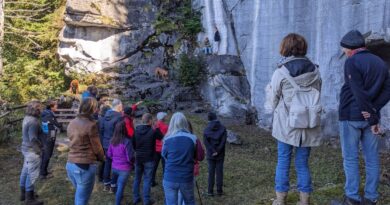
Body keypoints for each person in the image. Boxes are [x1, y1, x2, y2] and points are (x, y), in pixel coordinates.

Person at [333, 30, 390, 205]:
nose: (343, 52)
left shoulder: (352, 62)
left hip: (351, 116)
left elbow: (358, 92)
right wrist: (374, 111)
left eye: (344, 49)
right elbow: (388, 90)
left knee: (350, 157)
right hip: (370, 116)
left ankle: (352, 198)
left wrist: (370, 115)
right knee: (372, 158)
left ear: (350, 48)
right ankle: (371, 199)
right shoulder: (380, 62)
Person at [270, 33, 322, 205]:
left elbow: (273, 98)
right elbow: (318, 94)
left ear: (285, 48)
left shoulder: (281, 72)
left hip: (286, 124)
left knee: (283, 160)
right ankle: (304, 201)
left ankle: (280, 200)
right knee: (302, 163)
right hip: (309, 123)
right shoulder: (315, 70)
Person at [66, 97, 105, 205]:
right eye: (96, 108)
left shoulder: (72, 122)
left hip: (70, 164)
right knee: (81, 200)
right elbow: (97, 148)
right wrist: (103, 158)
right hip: (84, 166)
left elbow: (70, 139)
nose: (97, 110)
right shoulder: (91, 125)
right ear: (92, 109)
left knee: (80, 196)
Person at [162, 112, 205, 205]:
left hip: (170, 177)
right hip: (186, 177)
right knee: (189, 202)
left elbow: (164, 155)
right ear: (185, 123)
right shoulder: (193, 139)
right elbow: (201, 157)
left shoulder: (167, 139)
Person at [133, 113, 164, 205]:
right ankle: (146, 200)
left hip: (138, 157)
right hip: (149, 158)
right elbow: (161, 137)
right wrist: (156, 126)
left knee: (137, 178)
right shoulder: (153, 131)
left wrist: (137, 151)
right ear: (150, 121)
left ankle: (136, 198)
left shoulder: (136, 130)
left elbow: (133, 143)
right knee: (147, 179)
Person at [19, 100, 44, 205]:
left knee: (25, 170)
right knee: (32, 173)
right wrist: (39, 151)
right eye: (40, 108)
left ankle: (23, 194)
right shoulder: (33, 121)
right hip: (32, 151)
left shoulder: (26, 118)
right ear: (36, 109)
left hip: (25, 149)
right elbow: (33, 139)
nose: (42, 110)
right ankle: (29, 199)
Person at [107, 121, 135, 205]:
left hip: (114, 167)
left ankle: (118, 197)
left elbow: (109, 154)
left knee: (116, 184)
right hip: (124, 169)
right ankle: (117, 202)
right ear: (124, 129)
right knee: (120, 188)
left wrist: (115, 159)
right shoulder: (127, 141)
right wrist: (133, 163)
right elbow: (130, 158)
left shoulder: (112, 140)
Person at [178, 120, 205, 205]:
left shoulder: (173, 138)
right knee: (188, 193)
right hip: (189, 170)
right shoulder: (194, 138)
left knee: (180, 193)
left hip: (177, 169)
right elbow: (200, 156)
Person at [101, 99, 124, 191]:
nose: (122, 107)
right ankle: (113, 185)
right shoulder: (119, 117)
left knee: (107, 162)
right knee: (115, 163)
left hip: (106, 142)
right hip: (115, 143)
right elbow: (120, 131)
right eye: (121, 105)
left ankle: (106, 182)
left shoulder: (106, 115)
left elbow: (102, 129)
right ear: (118, 105)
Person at [203, 112, 227, 197]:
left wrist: (213, 151)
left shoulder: (206, 129)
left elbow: (206, 143)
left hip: (210, 154)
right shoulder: (223, 128)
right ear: (216, 117)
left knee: (211, 172)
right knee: (219, 172)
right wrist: (218, 151)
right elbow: (223, 142)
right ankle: (219, 191)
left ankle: (210, 191)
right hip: (220, 154)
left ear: (209, 119)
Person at [39, 100, 63, 179]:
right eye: (56, 105)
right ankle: (43, 173)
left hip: (48, 135)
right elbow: (56, 124)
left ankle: (44, 171)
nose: (57, 106)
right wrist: (60, 126)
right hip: (48, 137)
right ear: (51, 106)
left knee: (46, 154)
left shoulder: (47, 113)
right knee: (47, 155)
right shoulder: (48, 115)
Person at [151, 112, 169, 187]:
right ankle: (165, 182)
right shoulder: (166, 127)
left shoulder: (154, 125)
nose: (166, 117)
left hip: (155, 148)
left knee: (154, 166)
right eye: (165, 116)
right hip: (163, 148)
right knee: (165, 166)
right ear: (163, 118)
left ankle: (152, 181)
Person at [98, 104, 112, 183]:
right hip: (103, 141)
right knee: (105, 161)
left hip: (100, 141)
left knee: (103, 160)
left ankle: (101, 176)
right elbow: (103, 131)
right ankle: (102, 177)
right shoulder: (104, 119)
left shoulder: (100, 118)